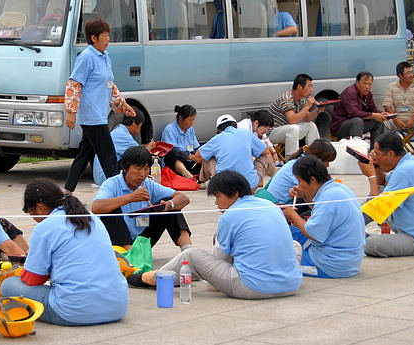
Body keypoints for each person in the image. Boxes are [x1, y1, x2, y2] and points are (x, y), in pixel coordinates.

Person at [130, 170, 302, 300]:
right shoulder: (269, 205)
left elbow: (217, 265)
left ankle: (152, 278)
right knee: (295, 245)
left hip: (254, 288)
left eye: (218, 197)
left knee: (192, 256)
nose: (216, 202)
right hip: (292, 284)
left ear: (234, 194)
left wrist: (209, 277)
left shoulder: (230, 216)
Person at [0, 179, 129, 326]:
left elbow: (33, 279)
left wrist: (25, 269)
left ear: (40, 208)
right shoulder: (92, 219)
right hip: (118, 306)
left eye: (32, 213)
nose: (34, 219)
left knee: (8, 285)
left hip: (73, 311)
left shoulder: (45, 227)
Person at [63, 19, 136, 192]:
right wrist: (71, 112)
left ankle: (67, 191)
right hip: (92, 115)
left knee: (85, 154)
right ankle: (118, 191)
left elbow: (109, 84)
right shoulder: (87, 57)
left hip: (100, 114)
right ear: (93, 38)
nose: (107, 39)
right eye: (104, 36)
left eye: (108, 36)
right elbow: (74, 84)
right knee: (108, 156)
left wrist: (122, 103)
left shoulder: (105, 57)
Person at [359, 132, 414, 257]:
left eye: (377, 154)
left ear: (390, 154)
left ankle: (351, 227)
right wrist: (376, 167)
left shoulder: (406, 170)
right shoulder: (410, 164)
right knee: (381, 188)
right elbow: (383, 185)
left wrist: (371, 176)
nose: (375, 157)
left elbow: (378, 208)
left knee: (371, 244)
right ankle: (352, 225)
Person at [91, 145, 192, 251]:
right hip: (116, 241)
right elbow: (96, 207)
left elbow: (183, 198)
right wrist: (131, 197)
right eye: (138, 169)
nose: (142, 174)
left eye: (146, 169)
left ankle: (187, 251)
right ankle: (131, 255)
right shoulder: (112, 184)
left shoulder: (147, 184)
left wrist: (168, 205)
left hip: (141, 238)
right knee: (111, 212)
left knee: (171, 206)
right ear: (125, 168)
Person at [281, 155, 365, 278]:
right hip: (347, 260)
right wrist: (303, 195)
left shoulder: (328, 197)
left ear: (313, 180)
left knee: (277, 259)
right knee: (285, 231)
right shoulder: (337, 188)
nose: (298, 185)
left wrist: (292, 215)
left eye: (300, 182)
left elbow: (314, 234)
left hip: (329, 264)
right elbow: (319, 215)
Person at [191, 114, 267, 191]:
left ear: (219, 130)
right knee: (265, 157)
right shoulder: (246, 133)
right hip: (250, 186)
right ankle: (273, 177)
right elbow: (265, 151)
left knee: (208, 157)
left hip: (225, 188)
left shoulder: (217, 139)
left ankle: (201, 181)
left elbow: (198, 155)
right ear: (236, 126)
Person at [257, 139, 337, 210]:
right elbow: (314, 194)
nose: (327, 165)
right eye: (326, 161)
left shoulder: (298, 163)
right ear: (317, 158)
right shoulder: (301, 167)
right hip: (278, 207)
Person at [91, 108, 155, 186]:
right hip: (105, 177)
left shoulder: (120, 131)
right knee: (137, 162)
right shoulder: (123, 135)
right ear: (134, 123)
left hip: (101, 175)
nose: (139, 130)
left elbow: (137, 147)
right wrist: (150, 147)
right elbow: (141, 154)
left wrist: (146, 146)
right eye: (140, 127)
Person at [267, 73, 325, 156]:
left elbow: (308, 118)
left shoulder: (302, 99)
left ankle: (315, 155)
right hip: (273, 133)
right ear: (299, 87)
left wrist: (317, 110)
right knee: (293, 128)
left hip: (289, 131)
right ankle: (292, 160)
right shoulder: (287, 99)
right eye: (309, 86)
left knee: (311, 125)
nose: (311, 90)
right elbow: (292, 120)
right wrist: (307, 106)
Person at [382, 61, 414, 155]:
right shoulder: (392, 87)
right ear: (400, 75)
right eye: (409, 73)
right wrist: (395, 119)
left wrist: (413, 120)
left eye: (412, 72)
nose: (412, 75)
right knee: (385, 122)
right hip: (397, 117)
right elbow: (387, 105)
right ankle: (388, 148)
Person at [330, 71, 388, 141]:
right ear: (357, 82)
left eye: (369, 84)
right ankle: (357, 147)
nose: (367, 87)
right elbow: (353, 113)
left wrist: (382, 114)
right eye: (364, 84)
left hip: (359, 123)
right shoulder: (350, 92)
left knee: (378, 120)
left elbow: (373, 109)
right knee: (357, 121)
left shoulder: (368, 94)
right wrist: (374, 115)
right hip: (341, 126)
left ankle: (375, 149)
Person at [236, 110, 280, 186]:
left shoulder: (256, 129)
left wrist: (274, 152)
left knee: (265, 152)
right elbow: (245, 148)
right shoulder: (244, 127)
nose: (266, 130)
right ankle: (274, 174)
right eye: (265, 127)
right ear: (256, 123)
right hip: (238, 157)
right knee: (263, 155)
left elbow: (266, 140)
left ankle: (274, 173)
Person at [160, 104, 202, 179]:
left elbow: (196, 147)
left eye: (193, 120)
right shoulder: (169, 129)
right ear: (180, 118)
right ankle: (187, 175)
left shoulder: (190, 129)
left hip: (189, 163)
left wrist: (200, 156)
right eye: (190, 120)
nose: (191, 123)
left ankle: (202, 177)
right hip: (175, 165)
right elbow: (173, 151)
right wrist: (191, 157)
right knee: (172, 153)